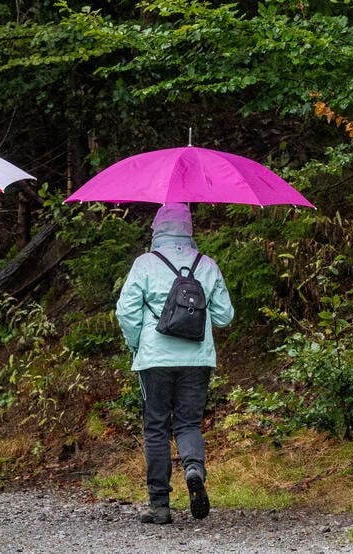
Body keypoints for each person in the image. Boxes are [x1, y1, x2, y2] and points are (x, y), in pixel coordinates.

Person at [115, 202, 234, 525]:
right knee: (188, 424)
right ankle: (193, 469)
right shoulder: (206, 264)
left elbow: (125, 312)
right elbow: (225, 316)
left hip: (154, 358)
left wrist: (136, 343)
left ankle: (159, 505)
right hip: (197, 358)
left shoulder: (145, 264)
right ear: (189, 229)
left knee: (156, 427)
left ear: (156, 229)